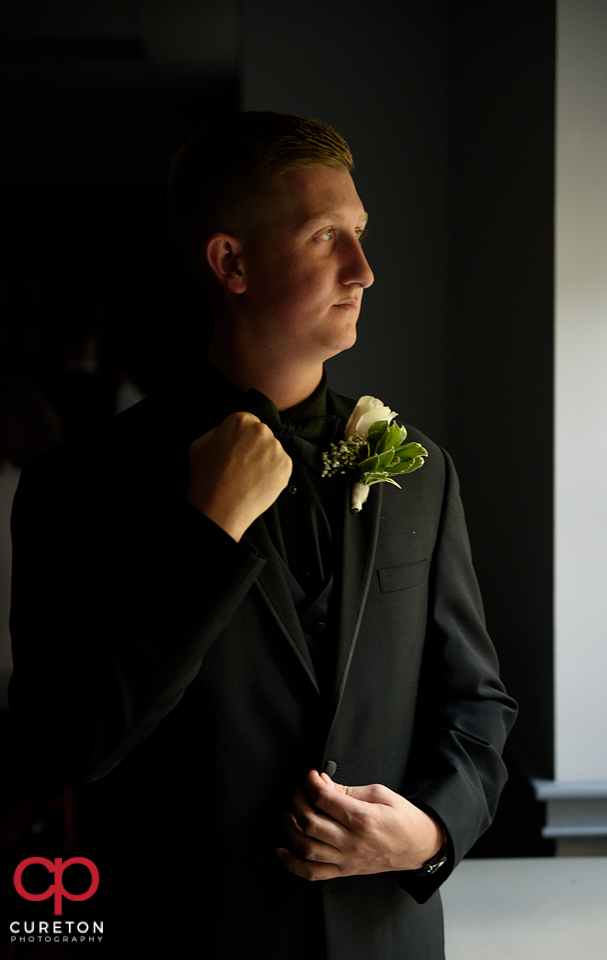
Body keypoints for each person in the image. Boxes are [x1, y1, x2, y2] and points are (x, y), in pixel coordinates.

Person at [9, 112, 517, 958]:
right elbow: (62, 745)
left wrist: (429, 831)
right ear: (230, 262)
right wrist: (204, 533)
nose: (364, 269)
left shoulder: (421, 471)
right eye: (326, 237)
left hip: (381, 933)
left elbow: (475, 702)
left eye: (359, 234)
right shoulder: (81, 484)